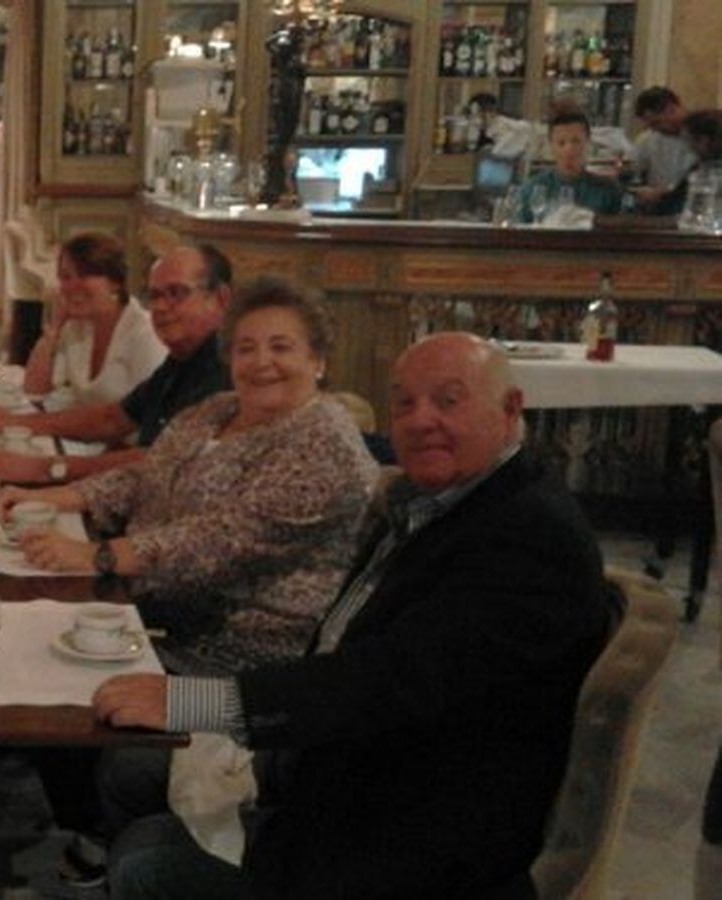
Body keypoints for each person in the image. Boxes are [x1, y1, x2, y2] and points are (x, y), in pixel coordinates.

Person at [91, 332, 614, 899]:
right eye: (406, 403)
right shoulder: (432, 502)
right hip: (357, 760)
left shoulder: (530, 536)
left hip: (421, 829)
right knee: (131, 769)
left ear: (511, 409)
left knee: (144, 859)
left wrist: (191, 701)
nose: (421, 420)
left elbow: (387, 678)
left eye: (448, 399)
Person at [0, 277, 378, 673]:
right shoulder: (219, 409)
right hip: (140, 614)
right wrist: (53, 497)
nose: (262, 361)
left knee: (26, 663)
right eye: (246, 348)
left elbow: (215, 541)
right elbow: (146, 474)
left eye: (281, 347)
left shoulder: (323, 443)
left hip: (223, 660)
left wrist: (96, 555)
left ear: (318, 360)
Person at [0, 244, 234, 486]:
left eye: (177, 293)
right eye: (155, 295)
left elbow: (160, 459)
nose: (161, 307)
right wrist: (14, 422)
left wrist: (46, 468)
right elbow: (111, 419)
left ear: (220, 299)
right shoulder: (181, 359)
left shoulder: (228, 371)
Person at [20, 232, 166, 409]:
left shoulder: (146, 334)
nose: (72, 286)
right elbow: (34, 391)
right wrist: (53, 331)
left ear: (115, 281)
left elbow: (151, 415)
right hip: (83, 434)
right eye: (66, 277)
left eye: (84, 275)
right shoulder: (76, 327)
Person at [515, 110, 624, 224]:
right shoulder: (533, 189)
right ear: (551, 146)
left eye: (576, 141)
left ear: (588, 142)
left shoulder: (607, 190)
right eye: (561, 143)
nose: (569, 150)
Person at [628, 87, 696, 211]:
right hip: (660, 209)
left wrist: (665, 192)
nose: (654, 129)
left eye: (656, 122)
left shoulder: (705, 138)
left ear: (672, 109)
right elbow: (632, 168)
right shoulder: (648, 139)